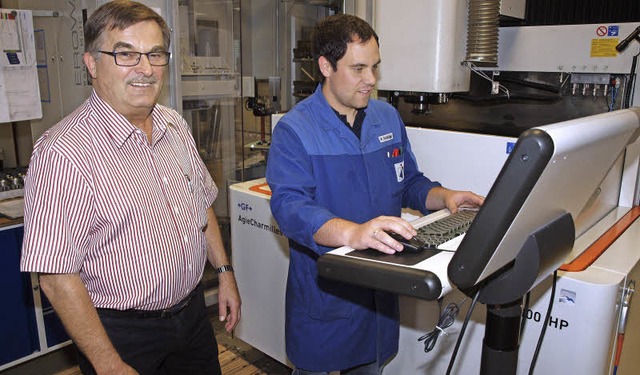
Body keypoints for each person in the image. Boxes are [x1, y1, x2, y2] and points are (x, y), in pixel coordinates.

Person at [20, 1, 241, 374]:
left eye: (155, 54)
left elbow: (201, 206)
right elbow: (56, 277)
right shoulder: (63, 153)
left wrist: (224, 272)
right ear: (92, 63)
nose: (145, 68)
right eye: (126, 54)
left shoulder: (174, 126)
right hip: (122, 336)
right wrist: (108, 365)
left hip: (192, 319)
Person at [266, 13, 484, 374]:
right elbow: (290, 207)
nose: (371, 80)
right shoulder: (295, 129)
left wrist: (445, 196)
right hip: (327, 297)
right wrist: (352, 232)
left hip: (380, 296)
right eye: (358, 68)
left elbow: (409, 182)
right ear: (325, 66)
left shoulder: (386, 117)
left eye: (375, 67)